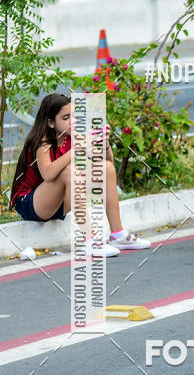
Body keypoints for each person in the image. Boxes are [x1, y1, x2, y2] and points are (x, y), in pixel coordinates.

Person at [10, 93, 151, 256]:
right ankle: (90, 241)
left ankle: (117, 234)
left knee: (106, 168)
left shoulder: (72, 137)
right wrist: (77, 149)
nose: (72, 121)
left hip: (57, 203)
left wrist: (104, 145)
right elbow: (48, 174)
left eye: (74, 116)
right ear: (50, 122)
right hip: (30, 204)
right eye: (65, 117)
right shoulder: (43, 143)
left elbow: (107, 163)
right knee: (69, 171)